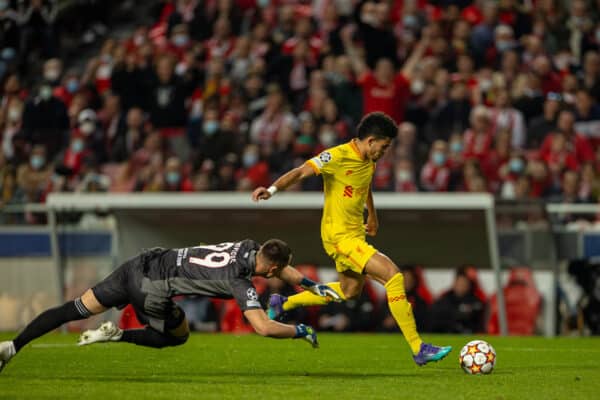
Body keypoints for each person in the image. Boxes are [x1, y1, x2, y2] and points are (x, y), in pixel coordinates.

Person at [251, 112, 452, 366]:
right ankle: (418, 347)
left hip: (354, 234)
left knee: (349, 291)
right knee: (393, 276)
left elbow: (365, 185)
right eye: (384, 146)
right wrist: (271, 190)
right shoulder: (336, 156)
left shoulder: (369, 160)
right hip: (339, 237)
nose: (385, 152)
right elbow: (302, 172)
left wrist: (373, 216)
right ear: (370, 140)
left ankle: (284, 302)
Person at [0, 239, 340, 373]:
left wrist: (310, 285)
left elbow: (283, 267)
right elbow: (263, 327)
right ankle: (117, 335)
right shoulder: (239, 280)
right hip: (152, 289)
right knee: (177, 336)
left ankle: (12, 347)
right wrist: (300, 329)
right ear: (273, 268)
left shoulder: (247, 246)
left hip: (140, 263)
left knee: (75, 307)